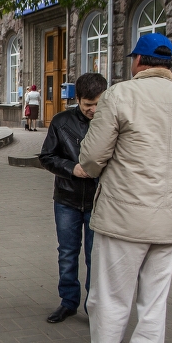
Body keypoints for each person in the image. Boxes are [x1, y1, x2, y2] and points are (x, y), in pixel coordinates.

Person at [72, 33, 172, 343]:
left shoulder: (120, 95)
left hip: (122, 218)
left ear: (138, 62)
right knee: (154, 301)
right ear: (169, 65)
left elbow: (93, 156)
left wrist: (94, 166)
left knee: (111, 296)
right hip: (169, 221)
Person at [40, 72, 108, 323]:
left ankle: (94, 308)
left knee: (94, 255)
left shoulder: (111, 121)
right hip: (67, 199)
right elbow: (46, 156)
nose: (93, 110)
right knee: (67, 253)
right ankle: (68, 302)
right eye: (88, 104)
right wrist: (71, 168)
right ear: (77, 99)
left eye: (98, 103)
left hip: (99, 201)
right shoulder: (61, 121)